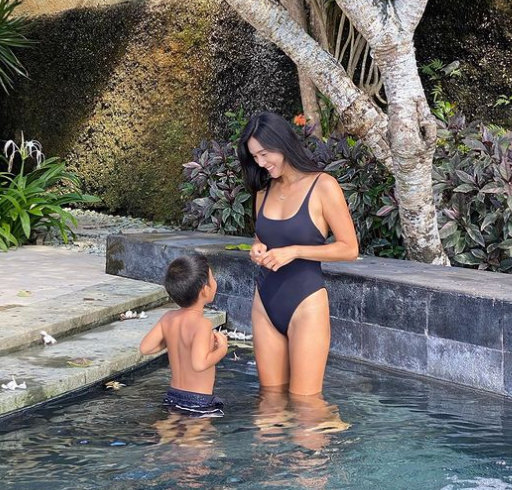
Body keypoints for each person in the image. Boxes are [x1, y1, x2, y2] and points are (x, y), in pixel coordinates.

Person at [238, 111, 359, 396]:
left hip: (306, 304)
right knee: (269, 403)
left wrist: (294, 252)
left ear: (282, 143)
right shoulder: (263, 191)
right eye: (255, 157)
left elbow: (349, 248)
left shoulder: (323, 186)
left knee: (307, 407)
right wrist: (257, 248)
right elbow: (264, 236)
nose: (261, 163)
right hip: (264, 302)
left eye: (264, 154)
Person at [139, 254, 228, 416]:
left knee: (172, 426)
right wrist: (222, 349)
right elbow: (199, 364)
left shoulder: (169, 318)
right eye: (213, 278)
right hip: (198, 400)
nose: (215, 281)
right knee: (198, 432)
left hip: (173, 396)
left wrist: (172, 340)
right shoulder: (203, 324)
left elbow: (146, 348)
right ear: (204, 290)